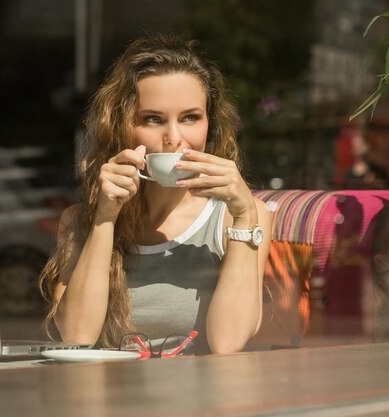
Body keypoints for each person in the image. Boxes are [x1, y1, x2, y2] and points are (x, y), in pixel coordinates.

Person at [39, 33, 271, 355]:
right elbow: (77, 336)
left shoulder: (240, 216)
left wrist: (245, 215)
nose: (174, 138)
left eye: (190, 117)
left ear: (210, 126)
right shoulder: (80, 221)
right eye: (153, 119)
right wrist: (105, 218)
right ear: (123, 127)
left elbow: (228, 344)